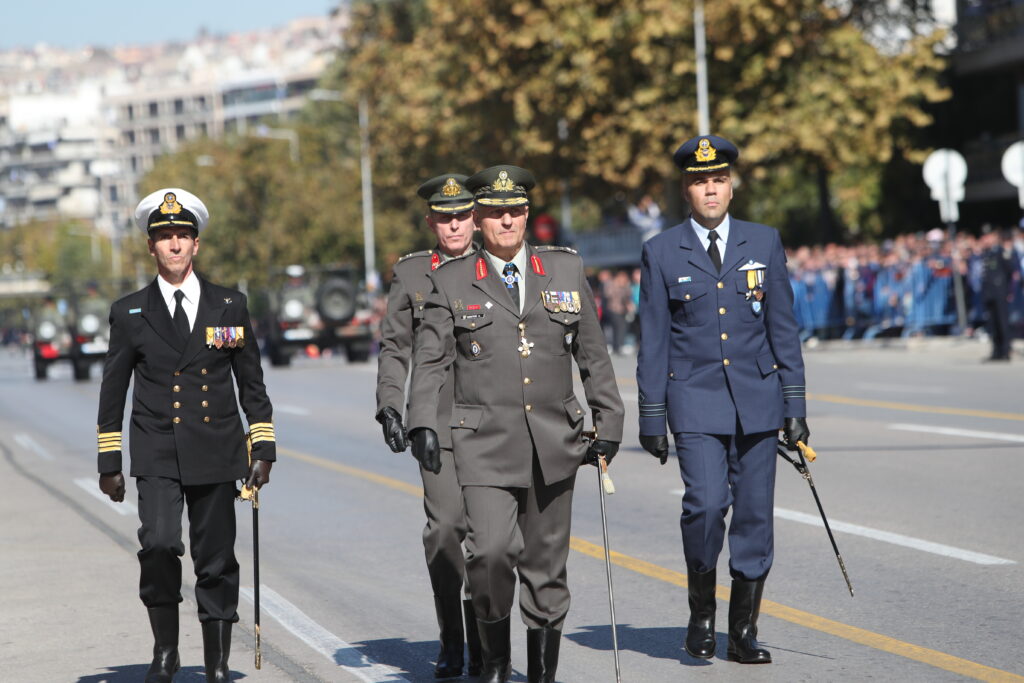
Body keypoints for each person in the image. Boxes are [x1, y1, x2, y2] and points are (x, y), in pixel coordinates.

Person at [407, 165, 624, 683]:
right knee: (489, 553)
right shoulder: (451, 279)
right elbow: (432, 357)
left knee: (547, 567)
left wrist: (609, 418)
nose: (507, 220)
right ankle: (495, 665)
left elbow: (593, 352)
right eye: (496, 212)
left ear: (527, 215)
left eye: (516, 211)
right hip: (483, 443)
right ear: (478, 219)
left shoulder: (565, 270)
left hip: (555, 438)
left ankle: (542, 674)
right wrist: (421, 422)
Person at [636, 136, 809, 665]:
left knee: (755, 518)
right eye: (698, 182)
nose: (709, 189)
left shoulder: (763, 242)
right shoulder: (662, 251)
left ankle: (743, 632)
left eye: (717, 180)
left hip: (758, 400)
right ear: (686, 190)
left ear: (730, 186)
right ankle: (701, 613)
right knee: (706, 506)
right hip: (694, 401)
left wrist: (795, 404)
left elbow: (783, 326)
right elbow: (654, 338)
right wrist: (651, 414)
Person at [95, 188, 276, 683]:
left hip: (217, 448)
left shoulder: (229, 305)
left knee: (215, 557)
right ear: (151, 248)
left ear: (196, 244)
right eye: (164, 237)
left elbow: (251, 384)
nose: (174, 245)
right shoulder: (129, 312)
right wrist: (109, 462)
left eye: (182, 236)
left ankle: (217, 664)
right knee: (156, 544)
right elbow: (113, 392)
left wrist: (263, 447)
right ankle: (166, 652)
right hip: (156, 448)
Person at [374, 173, 483, 678]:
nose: (455, 224)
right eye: (445, 217)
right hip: (435, 421)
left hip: (494, 420)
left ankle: (485, 636)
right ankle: (453, 640)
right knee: (445, 531)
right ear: (431, 221)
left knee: (491, 538)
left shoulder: (498, 267)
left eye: (462, 215)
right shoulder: (414, 273)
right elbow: (395, 346)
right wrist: (391, 406)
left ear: (475, 218)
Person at [980, 227, 1015, 361]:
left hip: (1000, 293)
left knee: (1003, 322)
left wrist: (1008, 291)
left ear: (994, 237)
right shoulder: (987, 253)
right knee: (993, 323)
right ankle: (996, 351)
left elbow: (1011, 271)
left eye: (987, 236)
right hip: (990, 293)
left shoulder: (1001, 252)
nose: (985, 239)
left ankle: (1005, 351)